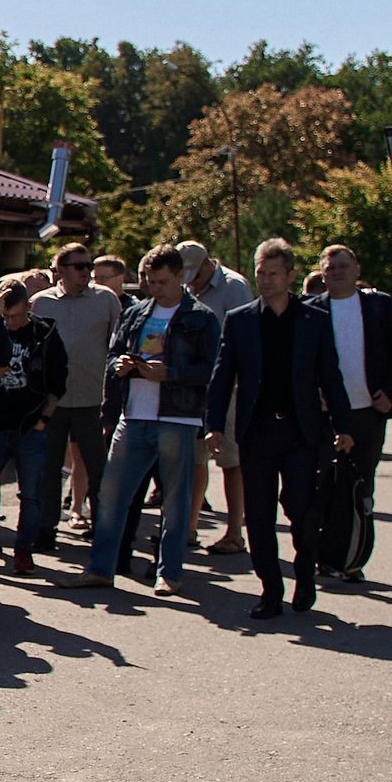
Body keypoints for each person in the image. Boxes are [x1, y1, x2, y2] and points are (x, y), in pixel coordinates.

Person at [206, 240, 354, 618]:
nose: (265, 279)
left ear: (290, 276)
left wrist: (344, 425)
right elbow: (222, 376)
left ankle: (305, 576)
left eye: (273, 273)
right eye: (260, 272)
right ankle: (270, 590)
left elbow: (331, 377)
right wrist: (214, 426)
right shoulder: (240, 320)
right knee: (257, 515)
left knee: (302, 511)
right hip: (256, 432)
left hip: (301, 433)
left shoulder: (314, 321)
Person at [67, 247, 221, 593]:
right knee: (110, 494)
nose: (155, 288)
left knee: (175, 500)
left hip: (177, 418)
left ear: (181, 277)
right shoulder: (135, 313)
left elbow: (212, 369)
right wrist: (120, 367)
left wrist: (171, 374)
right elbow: (112, 356)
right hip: (133, 415)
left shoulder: (202, 317)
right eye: (150, 281)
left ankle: (169, 572)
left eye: (162, 281)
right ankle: (101, 567)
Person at [307, 244, 392, 578]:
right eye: (330, 267)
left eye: (342, 266)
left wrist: (390, 395)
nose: (336, 272)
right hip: (323, 415)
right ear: (322, 273)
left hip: (367, 412)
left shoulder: (378, 306)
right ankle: (323, 555)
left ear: (357, 269)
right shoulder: (312, 310)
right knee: (318, 485)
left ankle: (353, 557)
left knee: (360, 487)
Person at [33, 244, 122, 555]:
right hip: (52, 403)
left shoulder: (105, 299)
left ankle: (103, 528)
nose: (85, 270)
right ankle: (46, 528)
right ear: (60, 269)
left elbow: (119, 343)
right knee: (49, 468)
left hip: (93, 398)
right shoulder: (41, 303)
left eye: (88, 264)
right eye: (78, 265)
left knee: (99, 469)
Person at [0, 277, 67, 577]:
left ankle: (23, 550)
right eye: (5, 316)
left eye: (16, 316)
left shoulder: (44, 335)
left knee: (31, 493)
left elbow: (59, 381)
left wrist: (43, 419)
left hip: (29, 425)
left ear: (29, 308)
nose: (10, 322)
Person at [180, 242, 253, 556]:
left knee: (231, 461)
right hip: (196, 389)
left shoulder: (234, 287)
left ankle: (235, 532)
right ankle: (190, 529)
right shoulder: (187, 288)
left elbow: (247, 338)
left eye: (195, 275)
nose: (192, 282)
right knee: (196, 460)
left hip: (228, 388)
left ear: (209, 263)